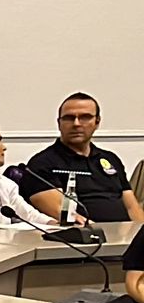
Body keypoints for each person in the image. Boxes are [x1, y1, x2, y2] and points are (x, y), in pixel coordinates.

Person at [18, 93, 136, 223]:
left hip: (125, 233)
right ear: (59, 123)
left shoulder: (111, 159)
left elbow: (132, 208)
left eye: (85, 117)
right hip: (84, 234)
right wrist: (100, 232)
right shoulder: (42, 164)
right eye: (69, 118)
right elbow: (66, 215)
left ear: (97, 122)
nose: (76, 124)